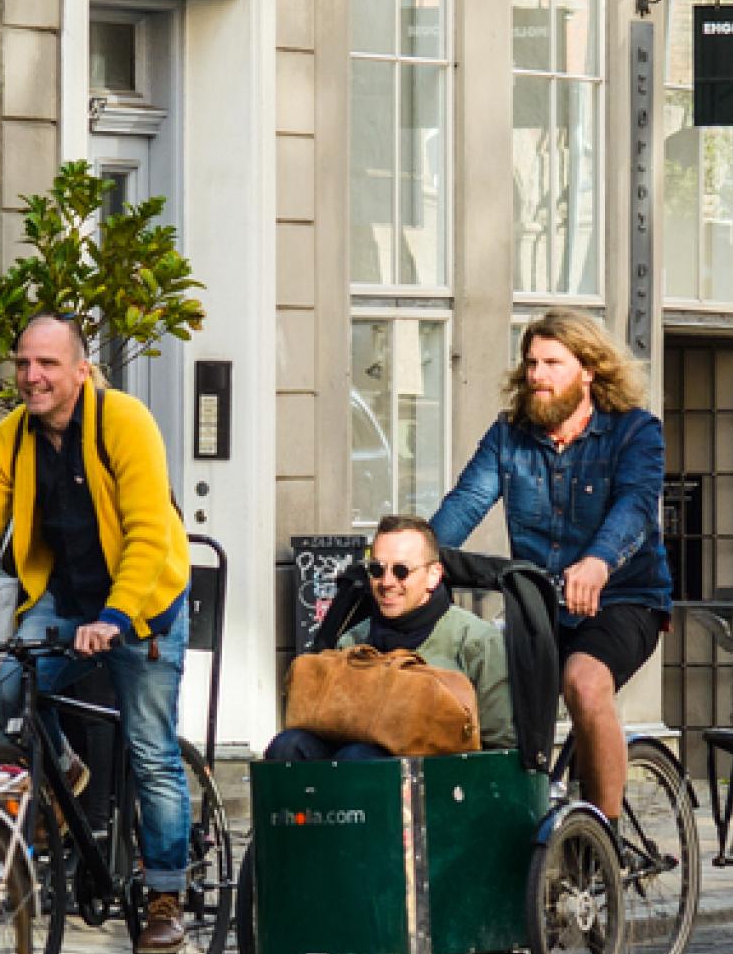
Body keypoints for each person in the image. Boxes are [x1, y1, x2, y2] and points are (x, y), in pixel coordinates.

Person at [0, 314, 197, 954]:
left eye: (48, 364)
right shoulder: (13, 436)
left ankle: (166, 893)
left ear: (80, 370)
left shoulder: (125, 422)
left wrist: (115, 619)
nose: (32, 376)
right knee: (7, 690)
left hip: (144, 606)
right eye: (24, 363)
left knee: (150, 748)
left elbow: (145, 531)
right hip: (66, 596)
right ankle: (66, 769)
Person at [434, 310, 669, 822]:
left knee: (584, 683)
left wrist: (598, 562)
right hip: (539, 605)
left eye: (552, 363)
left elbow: (635, 506)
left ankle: (600, 841)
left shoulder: (634, 432)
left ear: (589, 370)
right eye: (531, 363)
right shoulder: (509, 436)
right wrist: (416, 559)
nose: (537, 374)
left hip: (622, 599)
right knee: (478, 695)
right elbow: (466, 502)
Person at [266, 515, 514, 762]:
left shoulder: (478, 642)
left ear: (433, 575)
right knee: (288, 746)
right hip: (355, 766)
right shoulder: (353, 642)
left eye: (401, 571)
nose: (387, 582)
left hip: (442, 779)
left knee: (360, 758)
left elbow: (499, 746)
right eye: (376, 569)